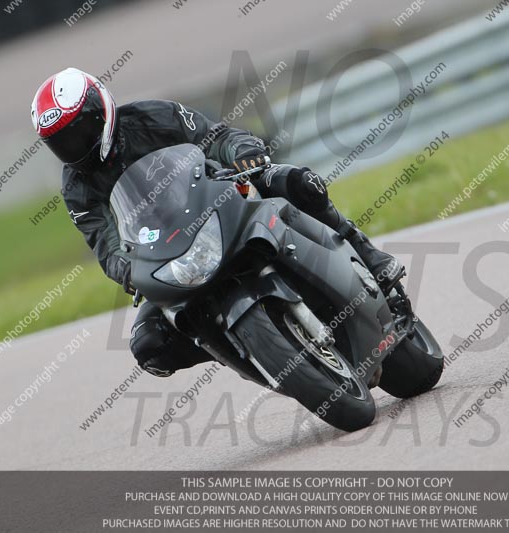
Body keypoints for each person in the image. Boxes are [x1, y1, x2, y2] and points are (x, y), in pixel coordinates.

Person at [31, 67, 403, 377]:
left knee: (295, 182)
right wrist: (128, 271)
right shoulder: (76, 187)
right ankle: (245, 348)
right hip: (166, 253)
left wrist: (243, 153)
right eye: (59, 141)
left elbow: (216, 136)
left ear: (101, 111)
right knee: (149, 345)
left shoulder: (151, 116)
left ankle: (369, 255)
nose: (72, 146)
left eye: (77, 131)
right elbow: (104, 242)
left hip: (219, 197)